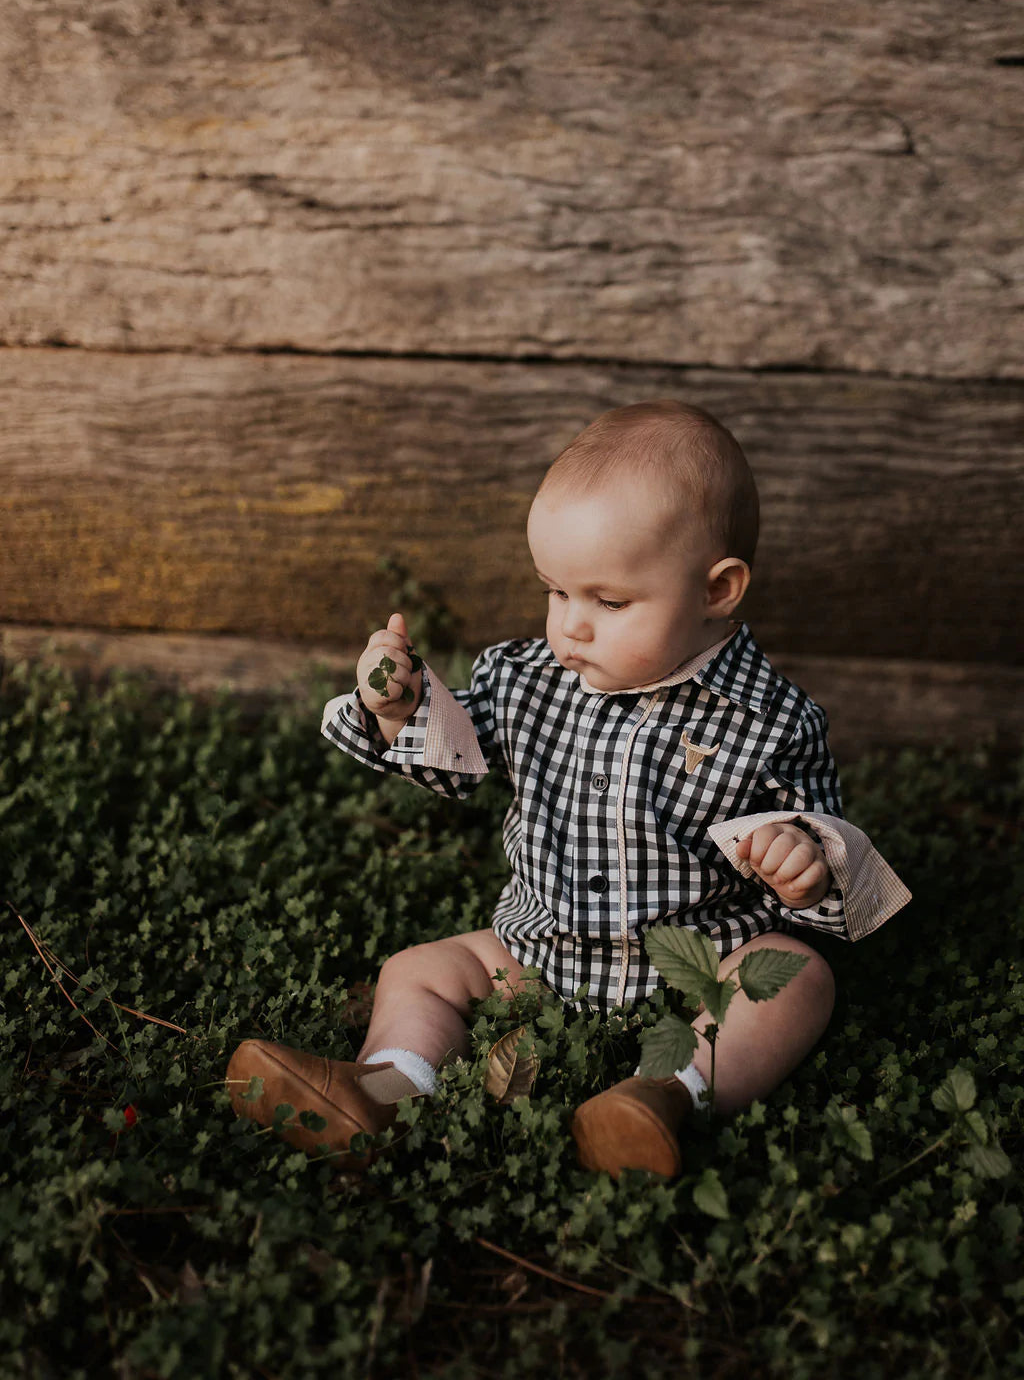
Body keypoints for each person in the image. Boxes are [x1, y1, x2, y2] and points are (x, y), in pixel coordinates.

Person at [227, 400, 909, 1179]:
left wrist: (804, 856)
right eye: (556, 592)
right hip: (540, 956)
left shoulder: (772, 721)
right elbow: (458, 757)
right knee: (416, 971)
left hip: (700, 972)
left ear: (717, 591)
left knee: (796, 976)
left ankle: (664, 1096)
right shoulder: (526, 680)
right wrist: (401, 707)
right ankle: (384, 1087)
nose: (571, 627)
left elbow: (829, 856)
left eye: (609, 601)